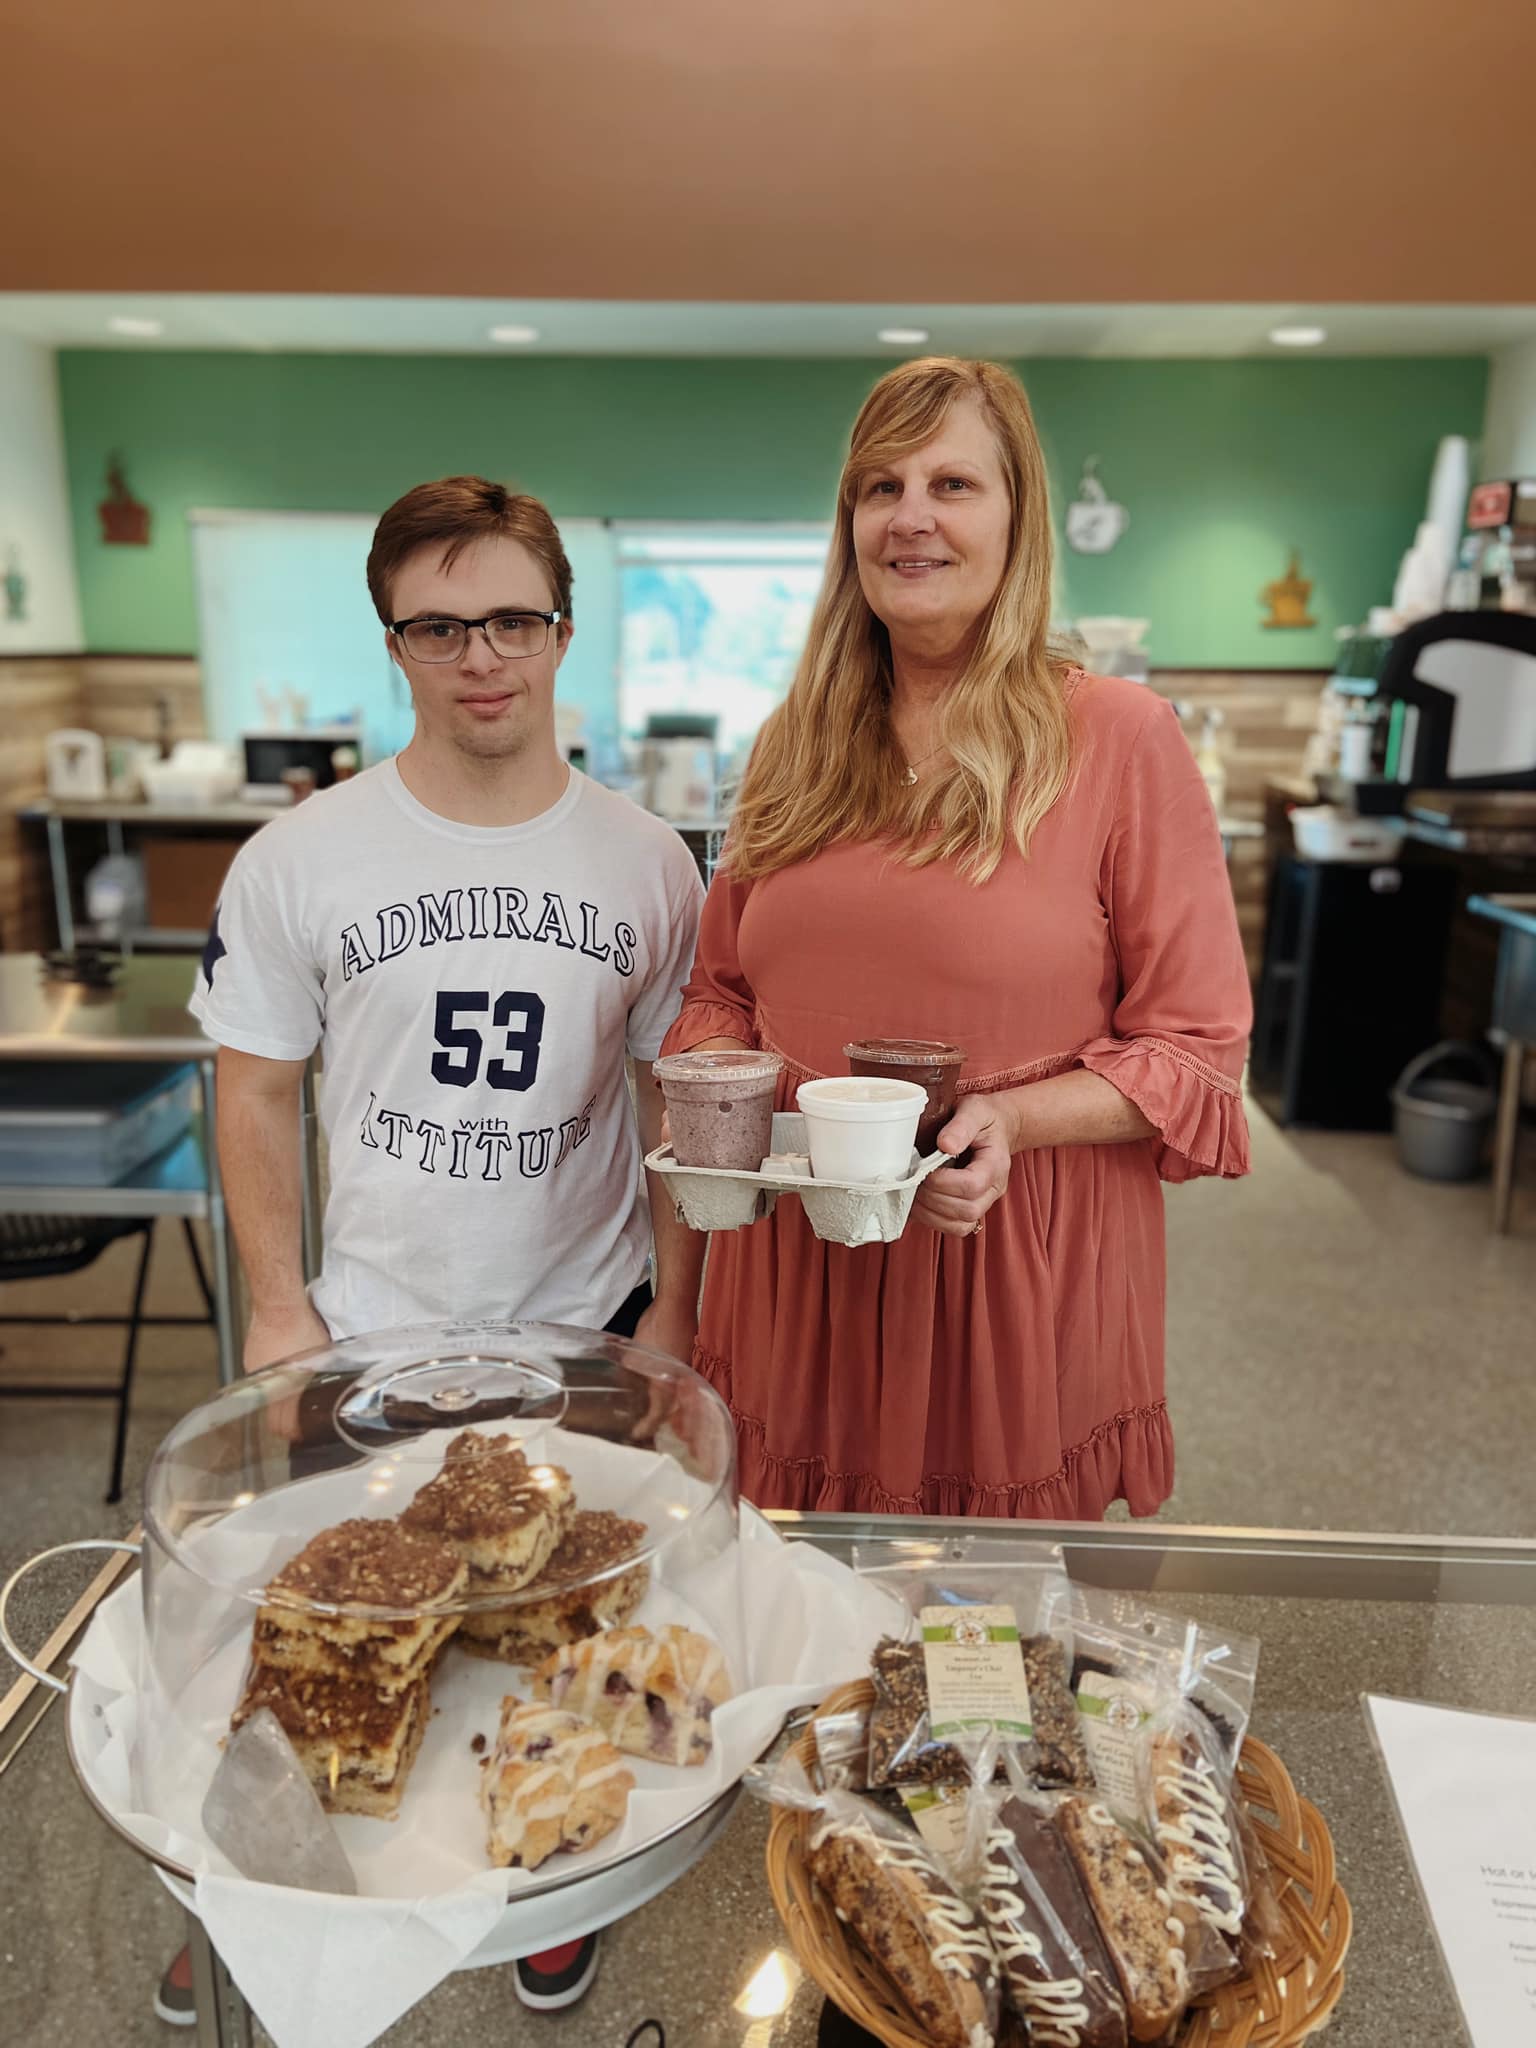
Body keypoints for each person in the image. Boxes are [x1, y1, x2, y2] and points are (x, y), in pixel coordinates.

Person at [154, 477, 705, 2025]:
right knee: (331, 1652)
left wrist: (679, 1328)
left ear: (563, 630)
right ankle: (259, 1900)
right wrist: (277, 1313)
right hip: (364, 1338)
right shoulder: (304, 857)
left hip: (582, 1331)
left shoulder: (651, 863)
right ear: (394, 642)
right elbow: (254, 1089)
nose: (484, 657)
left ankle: (541, 1887)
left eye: (514, 619)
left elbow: (671, 1104)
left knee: (556, 1645)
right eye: (442, 626)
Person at [660, 357, 1251, 1520]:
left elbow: (1195, 1052)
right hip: (796, 1269)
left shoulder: (1119, 738)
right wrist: (729, 1108)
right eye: (879, 487)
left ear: (1018, 516)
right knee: (800, 1641)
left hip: (1012, 1265)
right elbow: (719, 987)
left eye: (952, 483)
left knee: (990, 1661)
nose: (910, 517)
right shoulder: (796, 742)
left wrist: (1012, 1116)